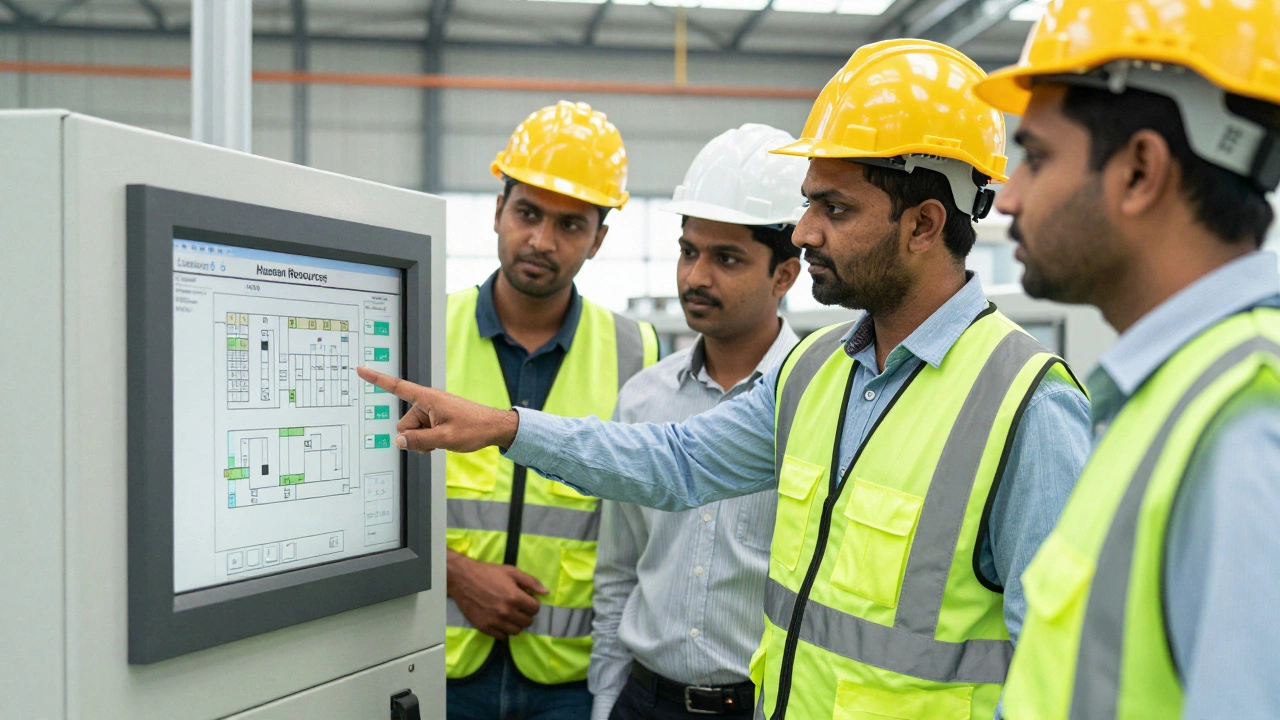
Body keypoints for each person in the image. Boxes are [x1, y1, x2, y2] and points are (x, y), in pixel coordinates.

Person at [362, 39, 1092, 720]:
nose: (803, 232)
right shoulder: (816, 372)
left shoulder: (1027, 405)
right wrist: (505, 426)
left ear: (926, 223)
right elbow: (674, 461)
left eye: (832, 208)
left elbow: (1063, 675)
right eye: (809, 203)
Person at [972, 2, 1280, 718]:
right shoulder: (1170, 396)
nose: (1009, 195)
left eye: (1037, 157)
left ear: (1140, 170)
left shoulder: (1247, 427)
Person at [443, 100, 659, 720]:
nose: (542, 240)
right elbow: (374, 491)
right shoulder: (427, 325)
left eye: (570, 224)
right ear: (497, 211)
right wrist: (455, 572)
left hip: (570, 680)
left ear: (599, 238)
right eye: (528, 213)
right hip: (439, 663)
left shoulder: (635, 350)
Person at [591, 124, 805, 720]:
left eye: (727, 258)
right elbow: (617, 573)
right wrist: (607, 701)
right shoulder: (642, 400)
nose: (695, 277)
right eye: (689, 251)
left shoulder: (816, 403)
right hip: (642, 700)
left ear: (784, 276)